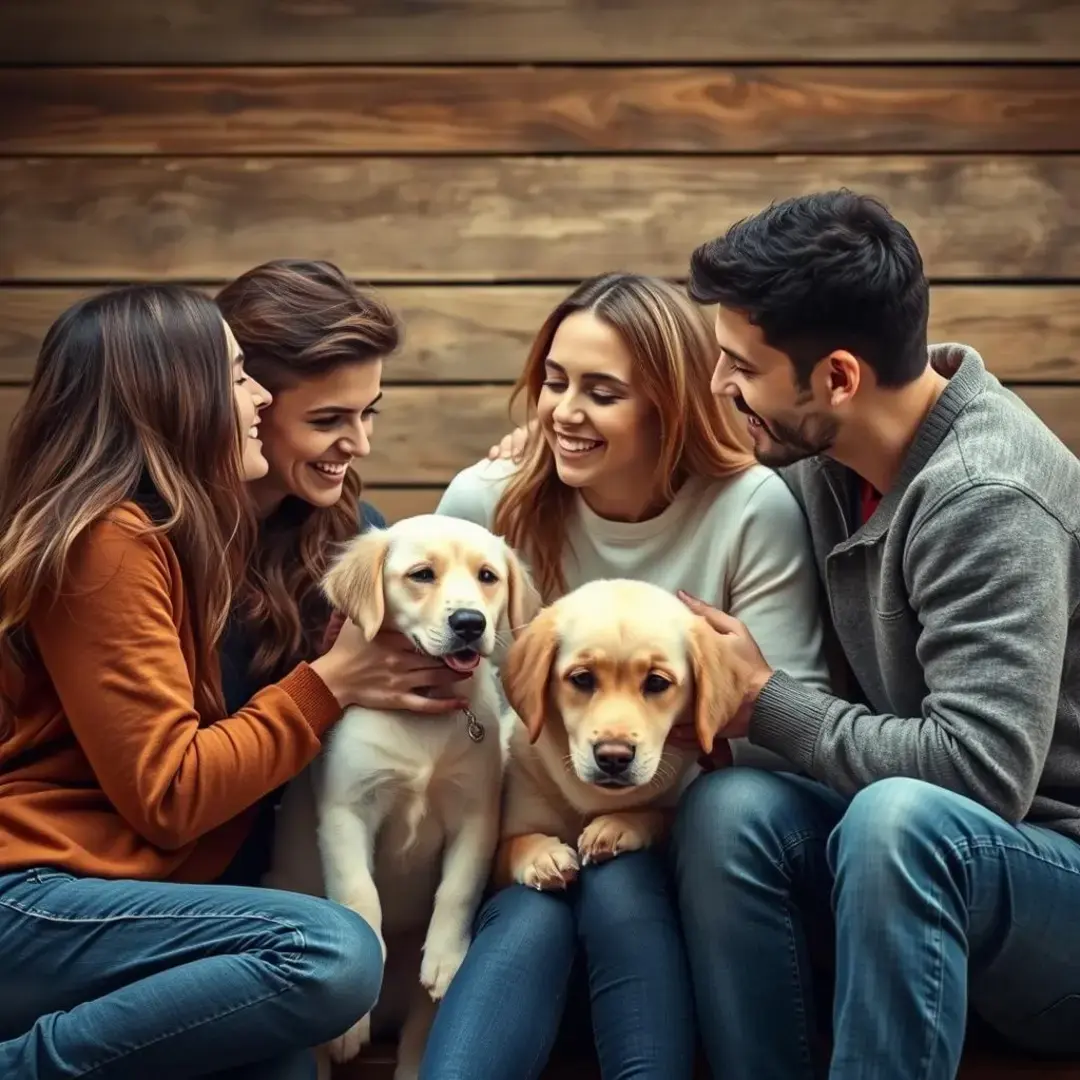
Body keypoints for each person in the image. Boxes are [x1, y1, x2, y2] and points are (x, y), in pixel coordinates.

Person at [667, 190, 1080, 1078]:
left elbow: (978, 777)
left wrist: (766, 703)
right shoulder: (830, 456)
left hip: (1056, 908)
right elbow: (682, 483)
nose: (719, 387)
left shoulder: (986, 498)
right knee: (731, 811)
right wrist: (539, 452)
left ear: (839, 378)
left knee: (902, 820)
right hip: (938, 889)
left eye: (740, 366)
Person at [424, 271, 831, 1079]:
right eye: (554, 382)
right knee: (540, 914)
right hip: (517, 842)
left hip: (690, 860)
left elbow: (786, 731)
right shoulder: (485, 503)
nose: (564, 413)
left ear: (670, 404)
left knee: (619, 888)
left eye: (602, 392)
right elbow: (443, 707)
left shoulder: (752, 508)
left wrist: (657, 809)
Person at [0, 285, 386, 1079]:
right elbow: (171, 794)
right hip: (35, 899)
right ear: (177, 396)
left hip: (144, 910)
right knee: (328, 950)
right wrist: (331, 681)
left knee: (284, 1062)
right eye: (239, 374)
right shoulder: (108, 542)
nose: (255, 396)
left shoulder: (198, 539)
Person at [213, 260, 472, 890]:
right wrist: (332, 683)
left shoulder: (361, 538)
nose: (359, 444)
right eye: (328, 420)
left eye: (369, 412)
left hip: (302, 860)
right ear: (244, 402)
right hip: (178, 871)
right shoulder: (159, 550)